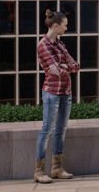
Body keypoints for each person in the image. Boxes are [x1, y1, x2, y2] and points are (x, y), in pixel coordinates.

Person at [33, 10, 77, 184]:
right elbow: (55, 71)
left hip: (66, 92)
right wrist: (65, 66)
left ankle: (57, 168)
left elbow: (75, 65)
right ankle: (39, 171)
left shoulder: (60, 44)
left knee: (61, 131)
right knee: (47, 130)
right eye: (65, 25)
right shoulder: (43, 45)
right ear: (56, 25)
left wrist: (66, 66)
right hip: (51, 93)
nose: (67, 28)